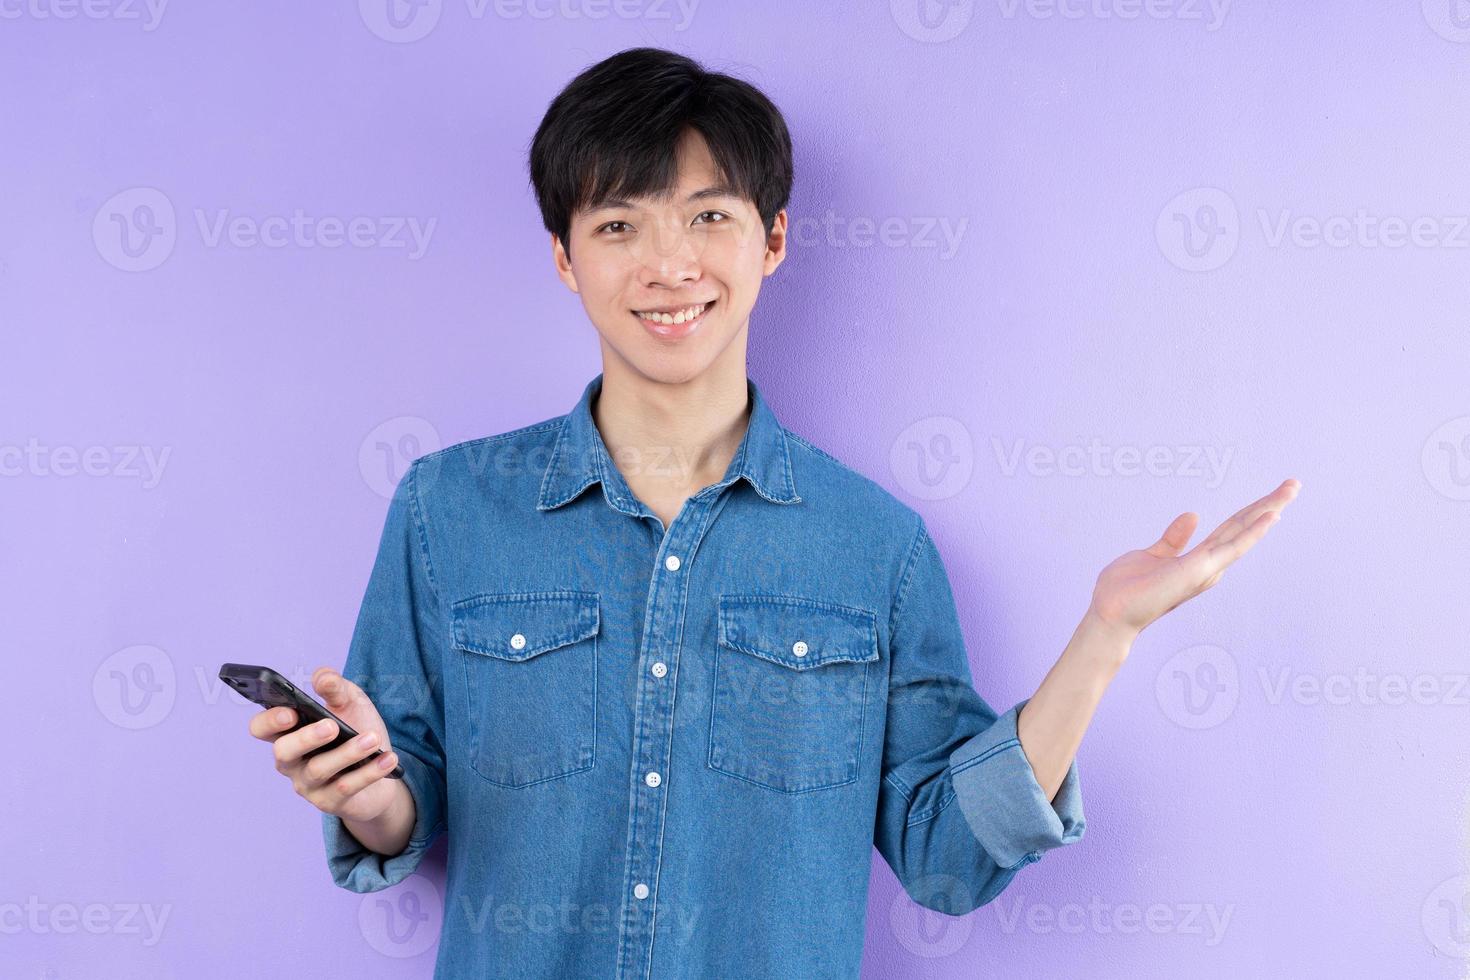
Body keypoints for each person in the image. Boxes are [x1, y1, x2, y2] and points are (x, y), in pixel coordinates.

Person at [245, 46, 1300, 980]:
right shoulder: (447, 508)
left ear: (774, 239)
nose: (670, 265)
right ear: (566, 257)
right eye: (620, 224)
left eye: (709, 216)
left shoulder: (874, 547)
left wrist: (1105, 635)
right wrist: (359, 787)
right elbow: (399, 804)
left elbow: (946, 852)